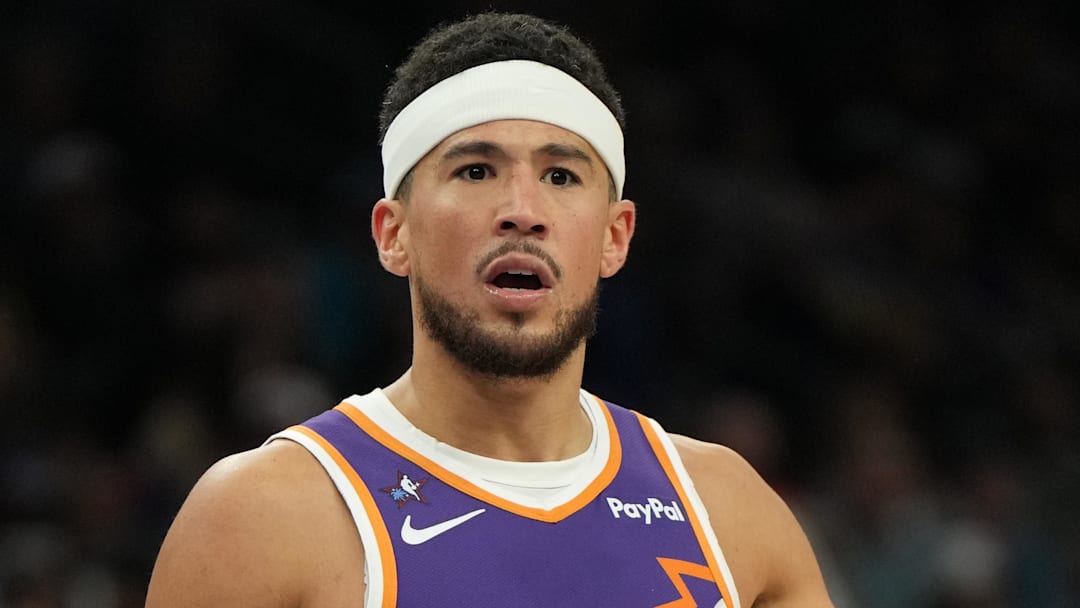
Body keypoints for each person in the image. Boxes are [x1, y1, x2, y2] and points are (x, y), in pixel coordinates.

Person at [145, 12, 835, 608]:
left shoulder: (728, 514)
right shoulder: (265, 515)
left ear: (614, 236)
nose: (522, 213)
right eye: (476, 171)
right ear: (393, 233)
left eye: (561, 176)